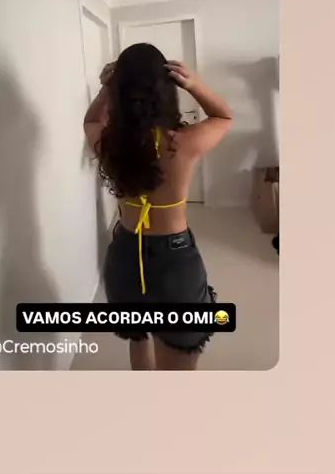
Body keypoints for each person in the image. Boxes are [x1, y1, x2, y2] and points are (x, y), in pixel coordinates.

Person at [83, 43, 233, 370]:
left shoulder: (109, 142)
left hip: (125, 255)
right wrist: (195, 84)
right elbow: (224, 116)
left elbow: (91, 120)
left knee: (138, 337)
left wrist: (107, 89)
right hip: (173, 261)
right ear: (168, 88)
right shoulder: (184, 142)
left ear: (120, 89)